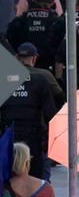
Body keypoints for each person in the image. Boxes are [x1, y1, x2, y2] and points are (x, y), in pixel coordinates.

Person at [1, 43, 60, 179]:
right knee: (36, 178)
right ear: (34, 59)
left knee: (7, 177)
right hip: (33, 136)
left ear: (16, 57)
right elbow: (50, 113)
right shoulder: (41, 78)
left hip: (8, 134)